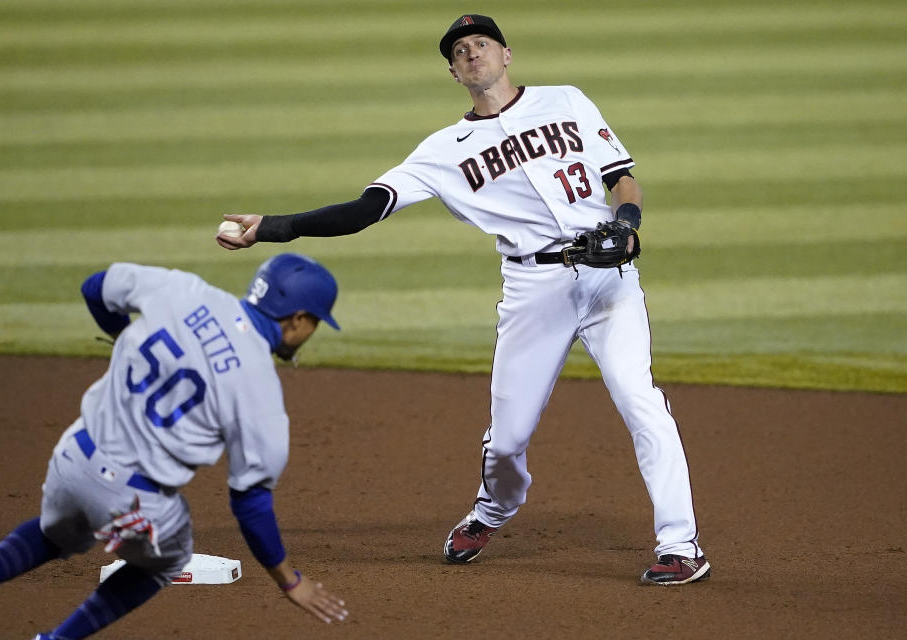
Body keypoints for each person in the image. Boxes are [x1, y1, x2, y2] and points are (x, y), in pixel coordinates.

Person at [215, 15, 709, 586]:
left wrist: (626, 221)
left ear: (507, 54)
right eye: (460, 50)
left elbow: (622, 178)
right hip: (533, 290)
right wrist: (272, 227)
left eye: (482, 43)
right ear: (453, 73)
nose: (472, 53)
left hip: (609, 278)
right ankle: (492, 510)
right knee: (508, 440)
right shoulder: (441, 151)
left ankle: (680, 544)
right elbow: (362, 210)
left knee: (639, 399)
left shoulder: (566, 100)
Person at [0, 254, 350, 638]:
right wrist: (289, 581)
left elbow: (95, 287)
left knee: (59, 532)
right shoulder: (261, 393)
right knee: (168, 560)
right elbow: (251, 503)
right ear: (298, 319)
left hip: (73, 456)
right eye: (315, 322)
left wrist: (124, 338)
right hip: (129, 501)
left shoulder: (186, 290)